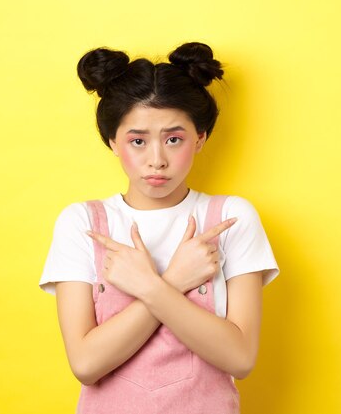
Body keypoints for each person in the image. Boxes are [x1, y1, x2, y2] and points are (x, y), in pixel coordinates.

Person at [39, 42, 279, 414]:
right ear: (112, 142)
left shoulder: (231, 218)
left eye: (173, 139)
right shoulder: (83, 223)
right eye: (137, 140)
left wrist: (150, 287)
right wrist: (174, 283)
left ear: (200, 138)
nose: (157, 160)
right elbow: (86, 364)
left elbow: (240, 357)